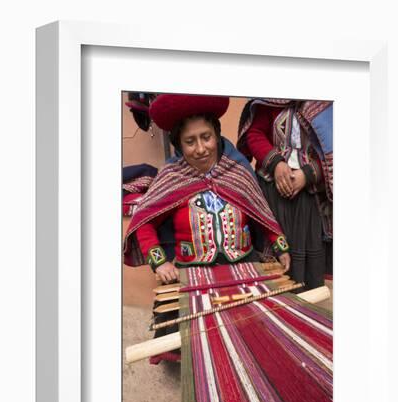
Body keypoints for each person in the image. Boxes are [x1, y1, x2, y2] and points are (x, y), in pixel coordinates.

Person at [123, 94, 291, 283]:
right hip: (191, 275)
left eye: (206, 137)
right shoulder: (171, 177)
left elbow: (262, 213)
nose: (201, 148)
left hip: (245, 269)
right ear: (179, 144)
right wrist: (159, 262)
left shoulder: (238, 171)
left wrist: (280, 246)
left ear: (217, 136)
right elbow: (145, 222)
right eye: (190, 142)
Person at [237, 98, 333, 290]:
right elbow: (255, 134)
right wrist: (276, 164)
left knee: (308, 269)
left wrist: (307, 174)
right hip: (272, 193)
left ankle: (307, 311)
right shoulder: (269, 102)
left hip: (311, 197)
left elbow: (336, 150)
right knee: (274, 256)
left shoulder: (327, 107)